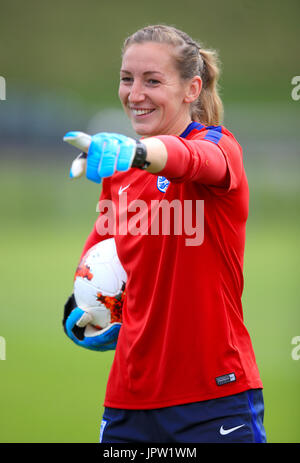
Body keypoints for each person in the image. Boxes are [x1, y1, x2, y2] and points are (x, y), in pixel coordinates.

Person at [63, 24, 267, 443]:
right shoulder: (118, 174)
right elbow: (99, 261)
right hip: (128, 401)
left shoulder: (219, 148)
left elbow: (190, 159)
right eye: (127, 78)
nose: (135, 94)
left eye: (152, 81)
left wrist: (139, 152)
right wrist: (81, 310)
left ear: (192, 88)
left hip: (213, 398)